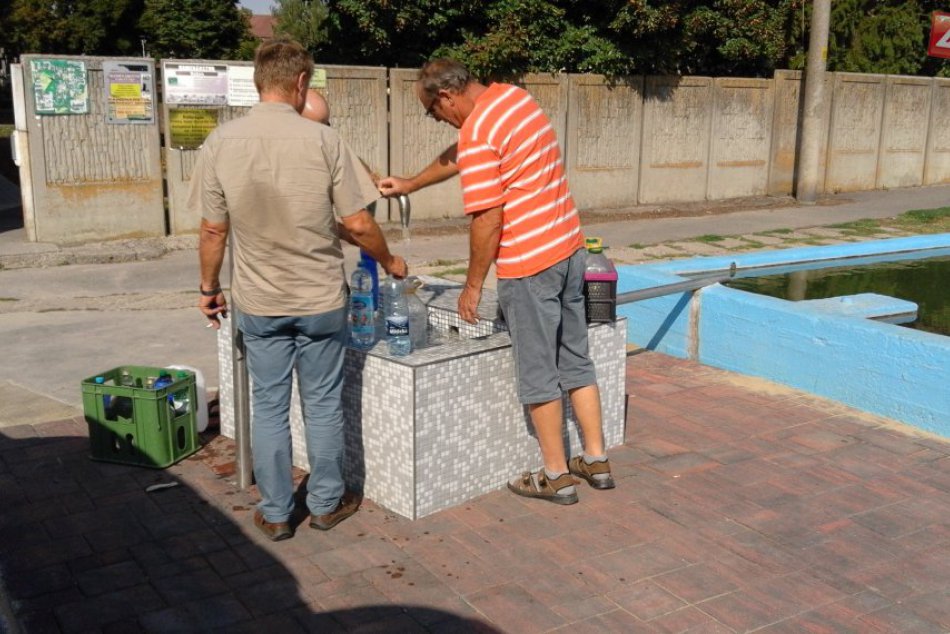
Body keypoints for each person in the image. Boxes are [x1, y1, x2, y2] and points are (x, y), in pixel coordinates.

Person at [190, 39, 407, 541]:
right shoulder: (324, 141)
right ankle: (327, 503)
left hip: (260, 303)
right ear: (302, 82)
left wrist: (208, 287)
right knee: (323, 402)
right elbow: (356, 221)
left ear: (257, 81)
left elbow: (212, 231)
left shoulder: (222, 142)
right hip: (320, 303)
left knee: (268, 405)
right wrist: (390, 259)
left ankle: (276, 511)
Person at [378, 59, 614, 505]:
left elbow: (487, 219)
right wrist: (411, 183)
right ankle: (596, 461)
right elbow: (459, 154)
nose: (438, 120)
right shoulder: (514, 99)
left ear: (446, 97)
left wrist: (472, 286)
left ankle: (556, 475)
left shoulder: (479, 133)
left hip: (530, 265)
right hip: (569, 248)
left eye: (434, 112)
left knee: (538, 370)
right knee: (575, 358)